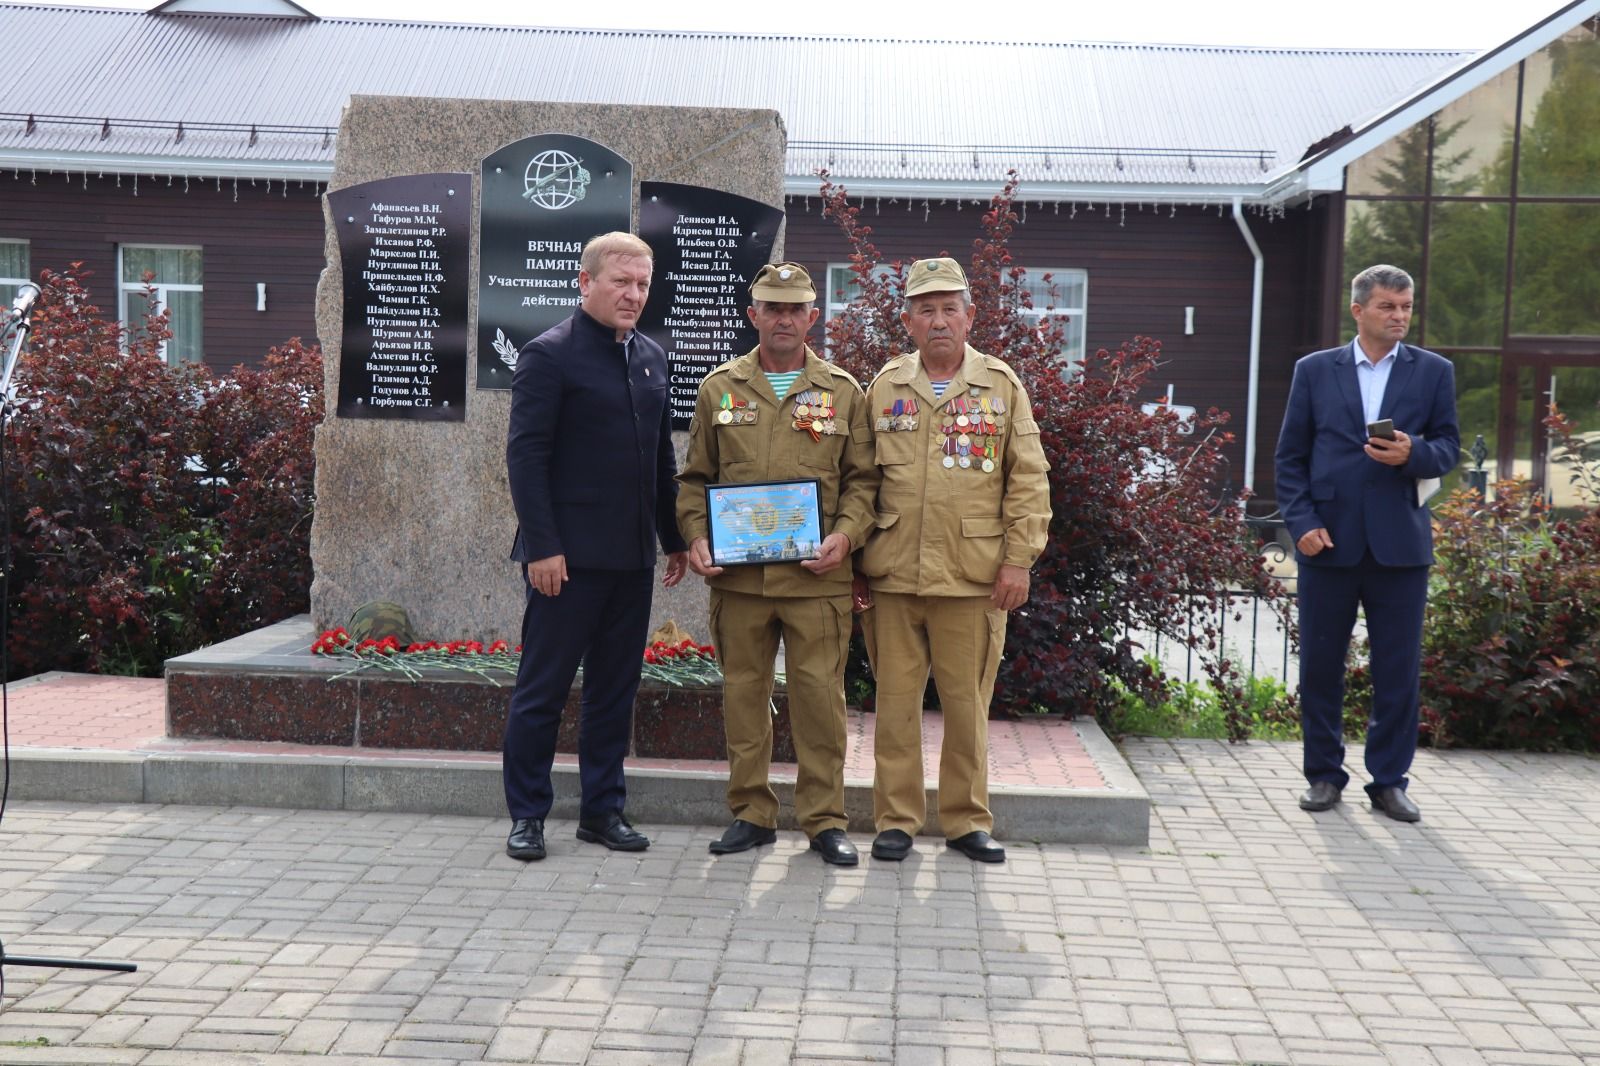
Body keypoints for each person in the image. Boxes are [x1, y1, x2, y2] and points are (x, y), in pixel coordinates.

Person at [676, 263, 879, 866]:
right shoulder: (720, 389)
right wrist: (696, 538)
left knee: (819, 699)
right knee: (744, 696)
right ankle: (751, 813)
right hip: (739, 583)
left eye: (796, 309)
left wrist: (845, 537)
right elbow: (695, 482)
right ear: (753, 314)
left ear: (814, 316)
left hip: (817, 579)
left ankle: (823, 820)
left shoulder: (844, 391)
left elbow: (864, 483)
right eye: (772, 307)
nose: (784, 318)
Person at [503, 231, 688, 861]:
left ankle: (602, 812)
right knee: (542, 692)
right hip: (568, 563)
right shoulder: (547, 355)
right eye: (621, 282)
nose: (634, 294)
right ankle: (527, 815)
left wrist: (673, 538)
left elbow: (660, 458)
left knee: (615, 692)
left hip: (631, 559)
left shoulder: (652, 358)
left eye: (642, 283)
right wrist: (542, 548)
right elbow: (526, 458)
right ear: (586, 282)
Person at [858, 257, 1051, 863]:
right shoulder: (885, 385)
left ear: (970, 317)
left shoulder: (1000, 385)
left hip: (972, 578)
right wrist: (856, 557)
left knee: (967, 707)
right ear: (908, 322)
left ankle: (967, 820)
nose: (938, 321)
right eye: (925, 310)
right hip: (892, 573)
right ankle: (896, 819)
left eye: (949, 309)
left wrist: (1019, 561)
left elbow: (1029, 480)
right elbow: (860, 480)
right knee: (894, 705)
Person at [1274, 263, 1459, 823]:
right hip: (1327, 544)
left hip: (1401, 547)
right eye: (1387, 306)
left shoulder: (1434, 372)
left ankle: (1388, 782)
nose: (1399, 316)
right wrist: (1301, 523)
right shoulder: (1314, 370)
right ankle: (1324, 776)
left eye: (1405, 306)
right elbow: (1290, 458)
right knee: (1321, 666)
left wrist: (1414, 455)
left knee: (1398, 671)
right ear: (1358, 310)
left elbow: (1448, 447)